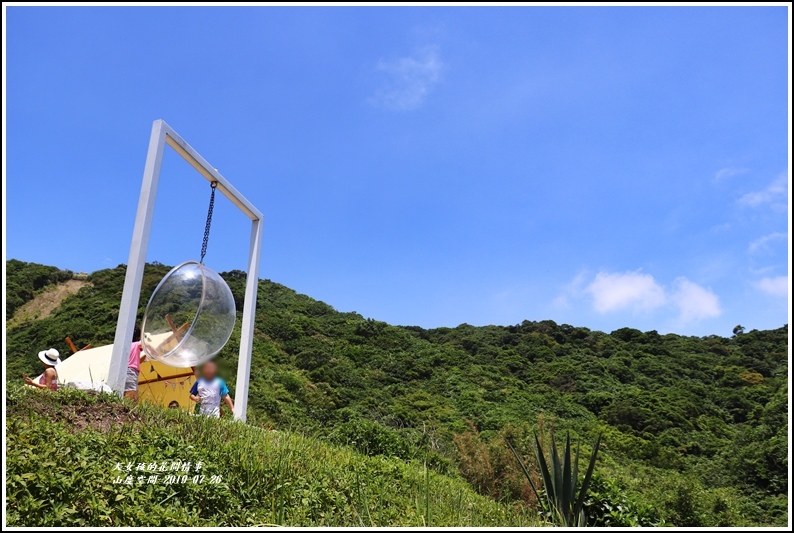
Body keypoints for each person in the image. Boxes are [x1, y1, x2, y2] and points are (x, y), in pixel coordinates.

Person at [124, 326, 147, 402]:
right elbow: (147, 345)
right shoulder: (136, 344)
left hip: (124, 371)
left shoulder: (125, 346)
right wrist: (158, 355)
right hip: (131, 372)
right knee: (132, 395)